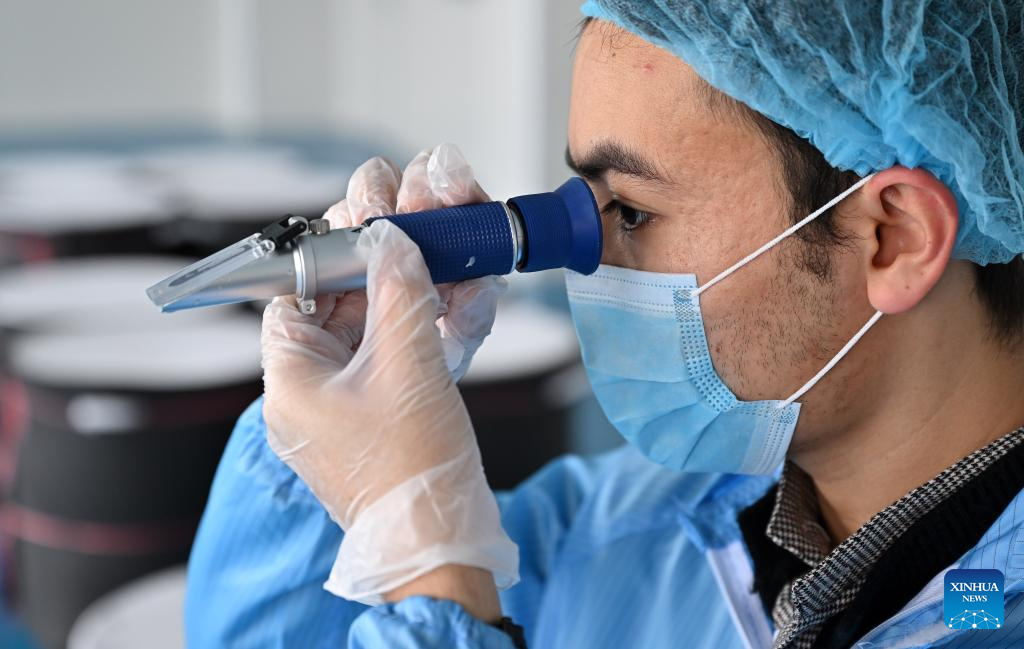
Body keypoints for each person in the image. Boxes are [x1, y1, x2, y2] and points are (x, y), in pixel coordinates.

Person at [185, 1, 1024, 647]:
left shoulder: (991, 615)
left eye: (631, 210)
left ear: (894, 237)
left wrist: (439, 582)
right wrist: (329, 453)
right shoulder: (630, 527)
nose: (585, 259)